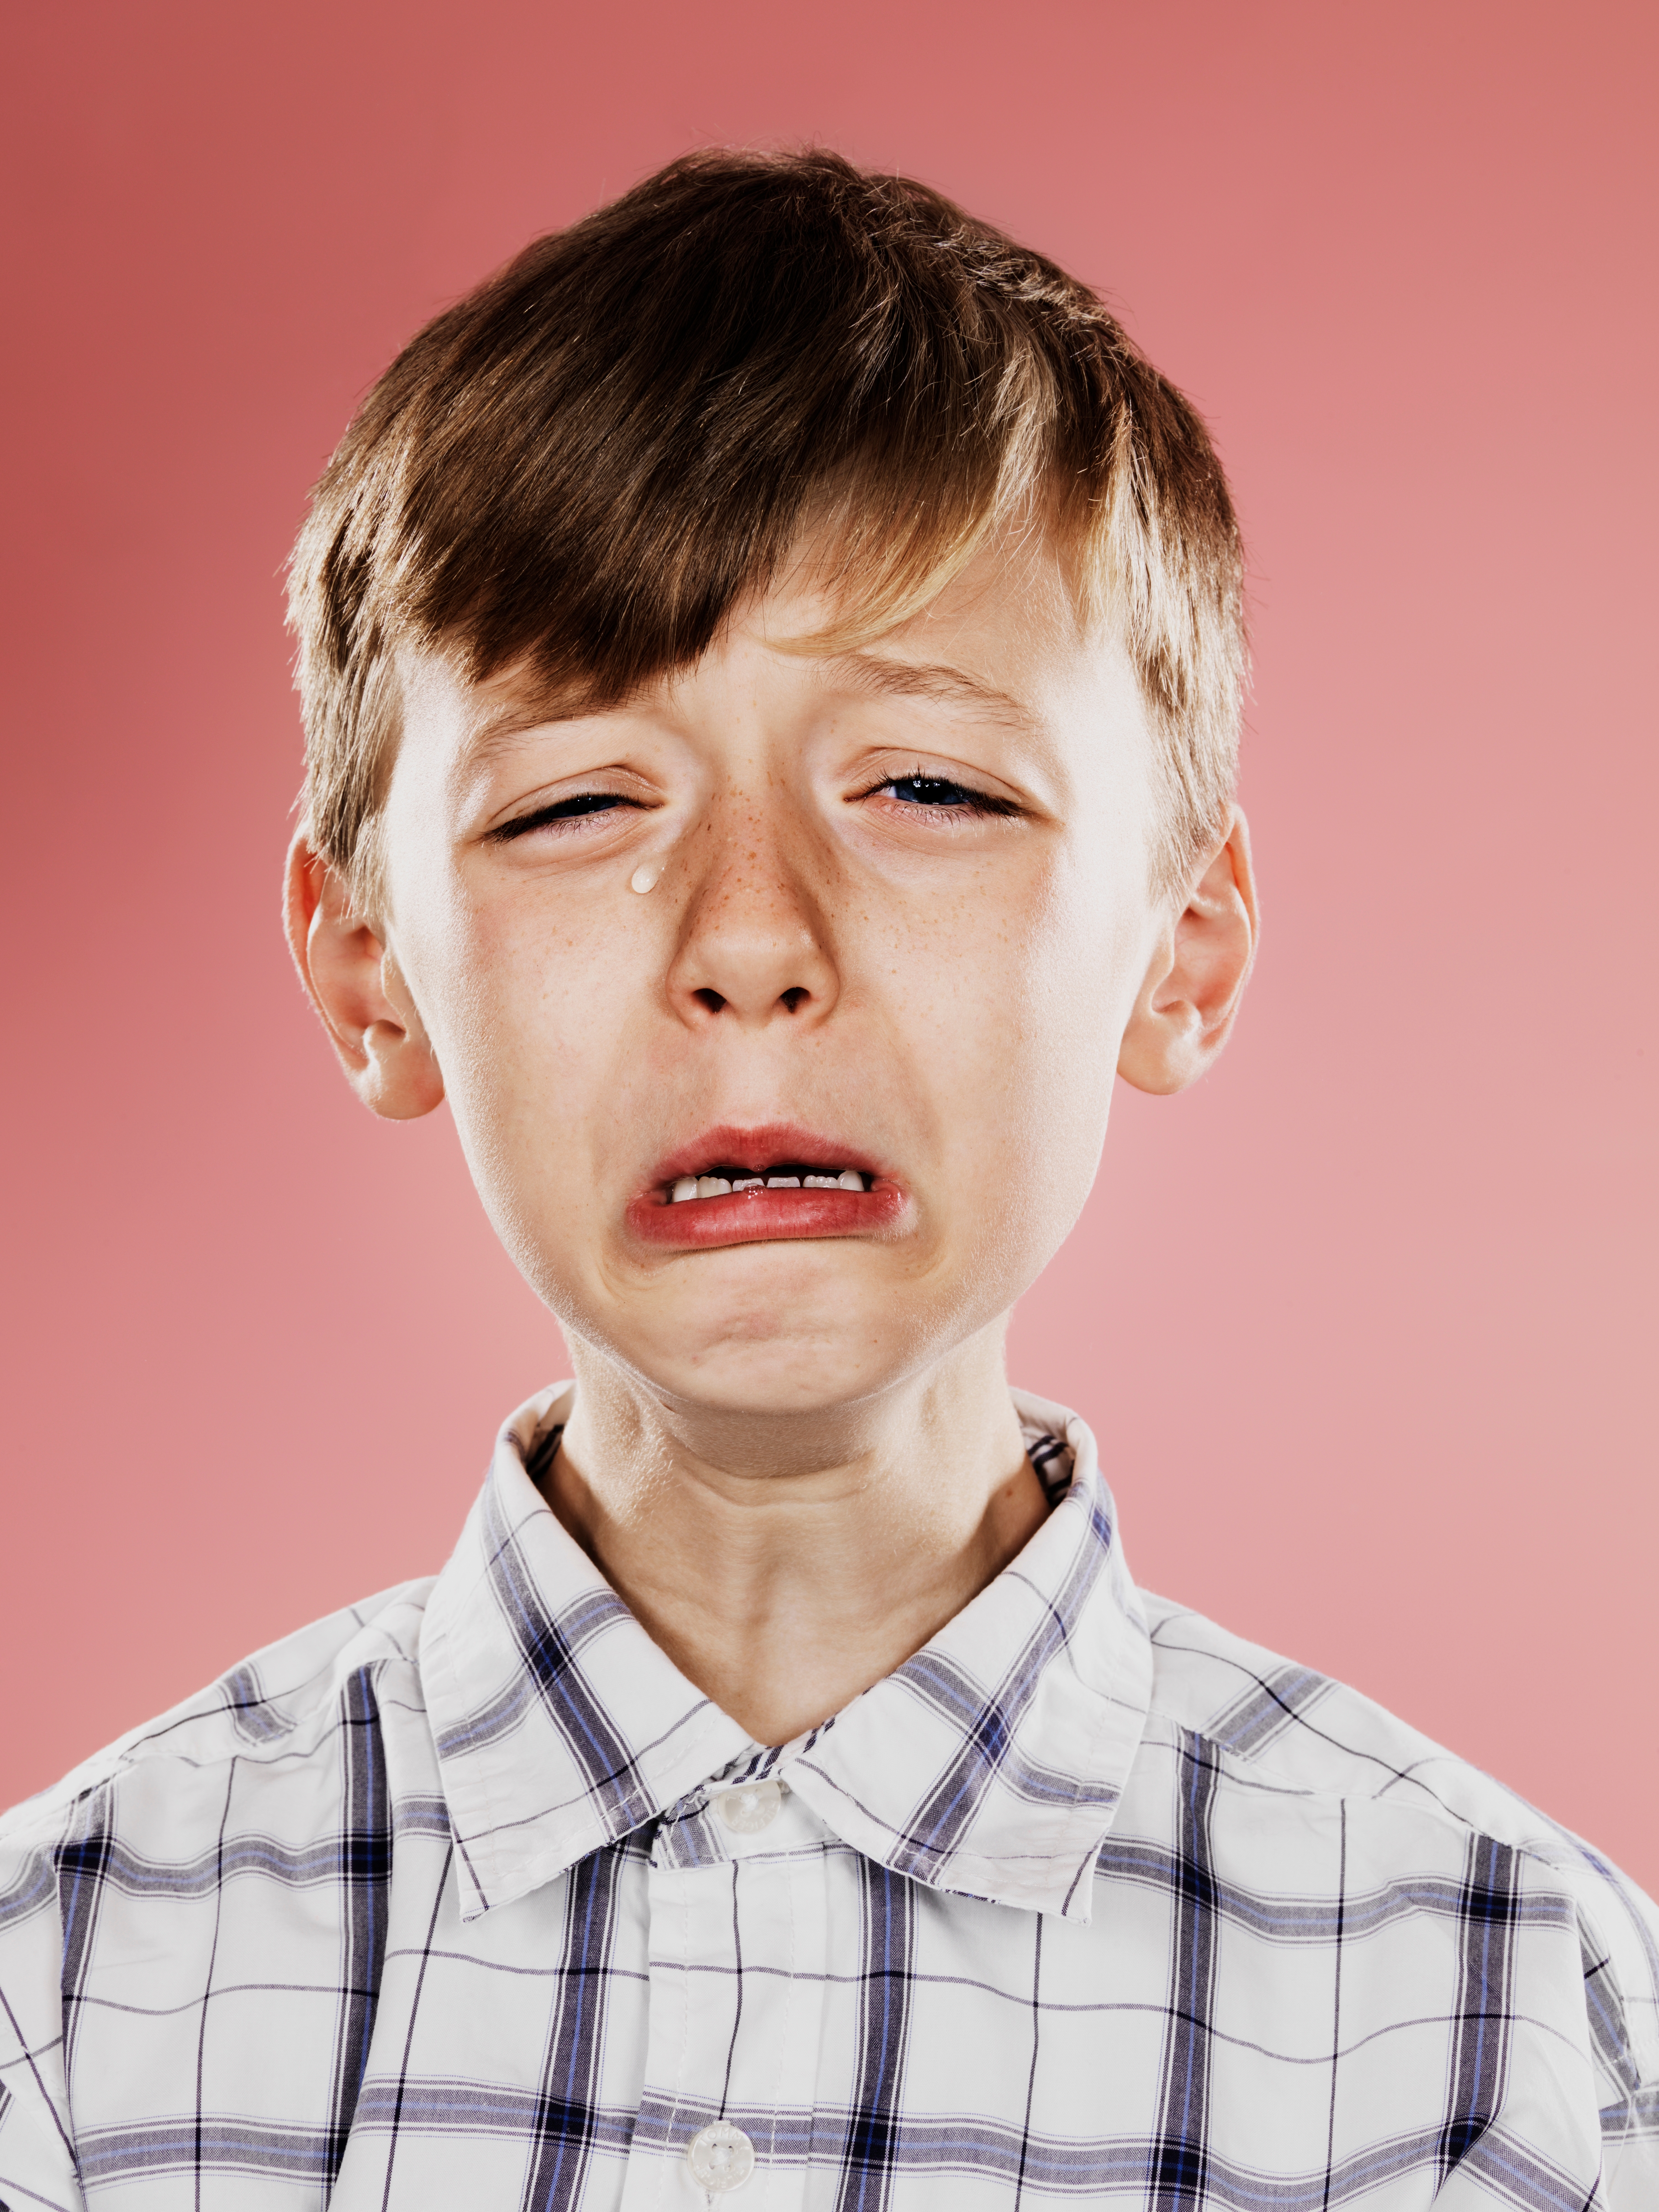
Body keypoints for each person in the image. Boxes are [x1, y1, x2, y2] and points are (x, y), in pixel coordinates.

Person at [0, 148, 1653, 2212]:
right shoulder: (66, 1997)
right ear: (367, 971)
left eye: (929, 786)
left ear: (1179, 941)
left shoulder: (1502, 2028)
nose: (750, 937)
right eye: (579, 800)